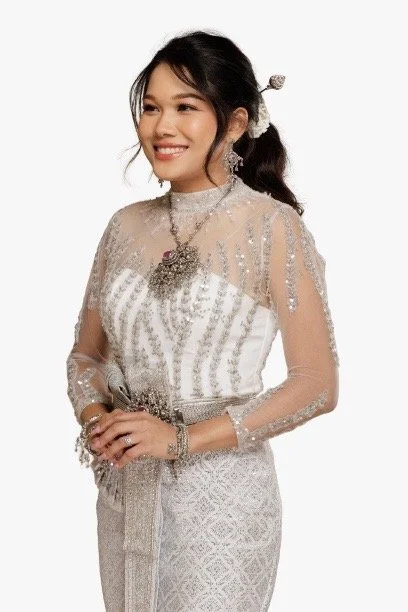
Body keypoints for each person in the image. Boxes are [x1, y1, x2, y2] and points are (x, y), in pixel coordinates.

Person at [66, 30, 339, 612]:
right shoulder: (124, 225)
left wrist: (181, 439)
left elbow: (317, 385)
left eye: (186, 107)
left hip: (222, 503)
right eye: (151, 108)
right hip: (125, 490)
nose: (162, 126)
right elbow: (86, 357)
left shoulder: (272, 226)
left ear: (235, 123)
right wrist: (98, 419)